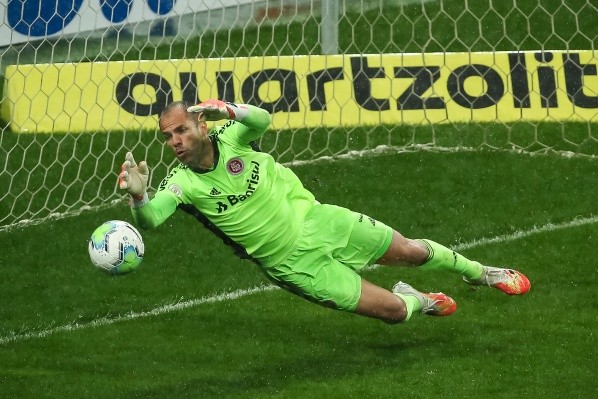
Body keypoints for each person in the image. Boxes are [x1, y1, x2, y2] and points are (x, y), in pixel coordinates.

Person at [118, 99, 530, 324]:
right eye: (167, 136)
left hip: (320, 221)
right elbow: (152, 218)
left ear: (202, 126)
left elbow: (262, 120)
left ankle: (482, 273)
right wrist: (138, 196)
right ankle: (416, 300)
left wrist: (229, 109)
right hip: (291, 264)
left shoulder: (233, 136)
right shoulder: (180, 184)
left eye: (181, 129)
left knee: (411, 252)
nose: (174, 140)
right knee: (392, 313)